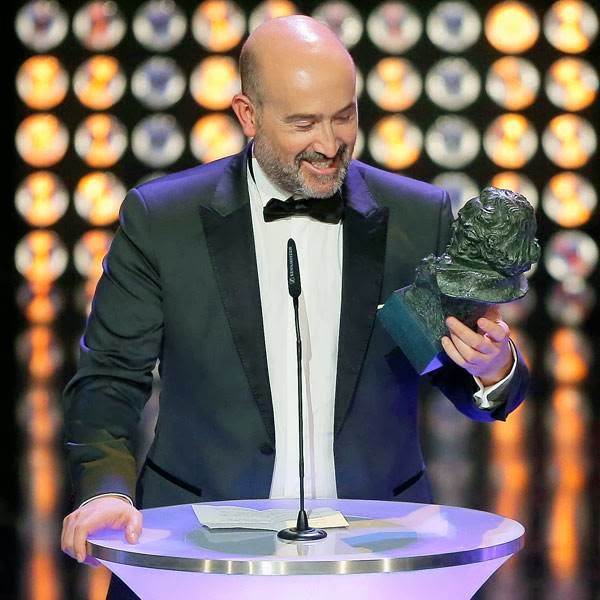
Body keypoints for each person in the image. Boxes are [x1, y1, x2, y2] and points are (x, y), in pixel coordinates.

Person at [60, 16, 529, 598]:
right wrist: (106, 488)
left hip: (374, 557)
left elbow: (466, 382)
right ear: (247, 115)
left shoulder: (417, 216)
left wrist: (493, 368)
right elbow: (108, 379)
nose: (329, 144)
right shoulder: (163, 221)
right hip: (199, 557)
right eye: (303, 123)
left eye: (344, 116)